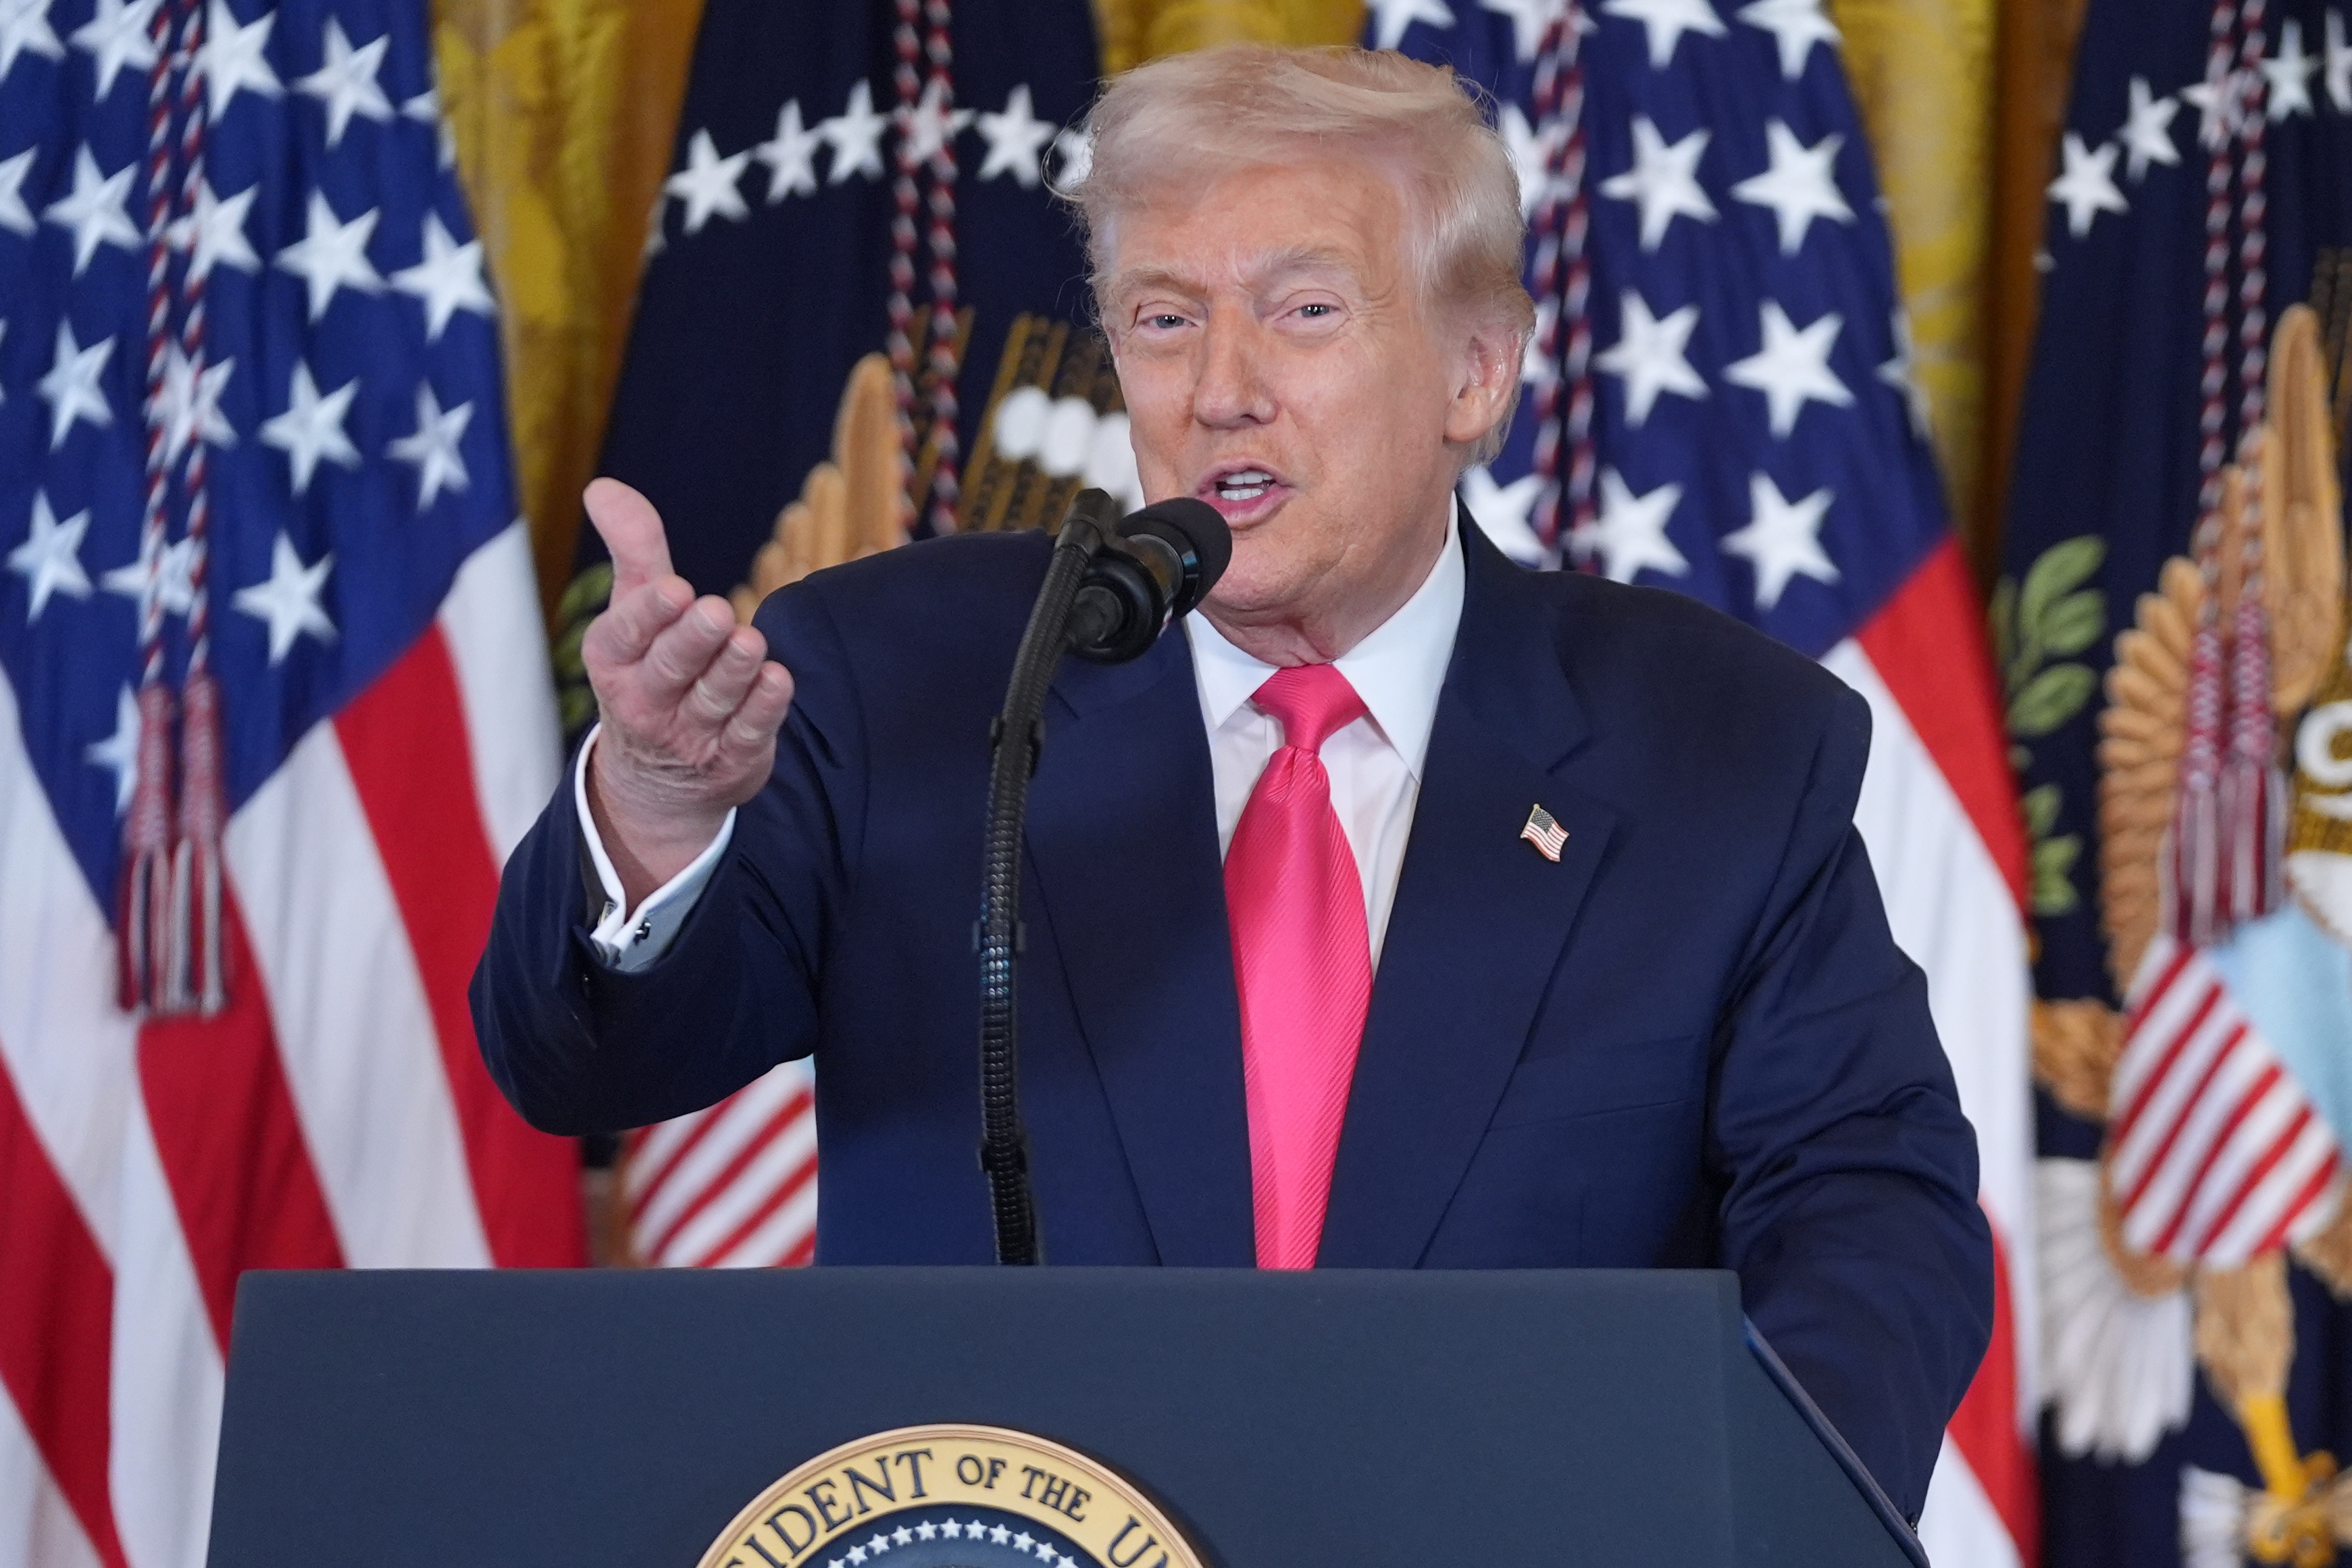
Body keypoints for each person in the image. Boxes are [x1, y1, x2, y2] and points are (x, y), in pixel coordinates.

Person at [471, 44, 1991, 1521]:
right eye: (1162, 319)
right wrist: (658, 811)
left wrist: (1721, 1511)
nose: (1221, 391)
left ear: (1475, 372)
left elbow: (1868, 1204)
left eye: (1304, 312)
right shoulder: (902, 677)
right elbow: (580, 1068)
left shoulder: (1717, 741)